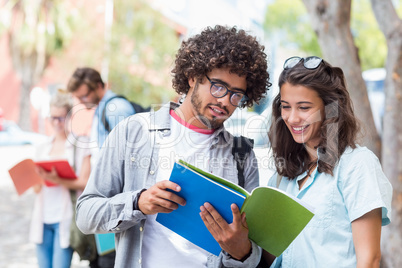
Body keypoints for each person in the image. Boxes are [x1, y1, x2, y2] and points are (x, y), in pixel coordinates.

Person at [76, 25, 270, 267]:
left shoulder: (242, 155)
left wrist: (240, 250)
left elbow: (252, 254)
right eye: (218, 86)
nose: (225, 101)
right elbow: (85, 215)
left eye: (236, 94)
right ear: (192, 77)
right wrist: (138, 202)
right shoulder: (134, 132)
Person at [263, 56, 393, 267]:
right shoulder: (281, 179)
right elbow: (272, 256)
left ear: (330, 108)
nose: (292, 118)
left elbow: (369, 260)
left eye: (304, 108)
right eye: (286, 107)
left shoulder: (357, 165)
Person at [67, 67, 136, 267]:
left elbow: (130, 158)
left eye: (85, 95)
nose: (82, 101)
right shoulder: (101, 109)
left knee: (109, 260)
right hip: (107, 201)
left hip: (116, 202)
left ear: (99, 86)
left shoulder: (117, 109)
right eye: (78, 98)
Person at [29, 90, 93, 268]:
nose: (56, 123)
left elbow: (85, 182)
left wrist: (57, 180)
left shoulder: (80, 146)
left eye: (61, 118)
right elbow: (36, 189)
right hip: (42, 219)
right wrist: (34, 177)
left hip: (65, 219)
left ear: (70, 117)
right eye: (53, 117)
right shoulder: (42, 148)